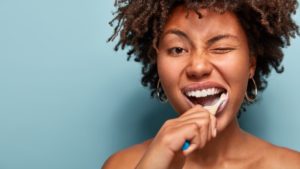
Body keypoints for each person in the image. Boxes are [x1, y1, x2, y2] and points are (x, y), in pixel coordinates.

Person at [103, 0, 300, 168]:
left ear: (251, 64)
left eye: (221, 48)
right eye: (177, 49)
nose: (197, 67)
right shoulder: (123, 165)